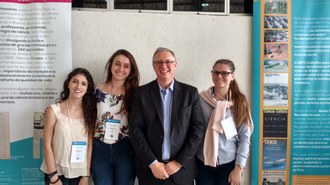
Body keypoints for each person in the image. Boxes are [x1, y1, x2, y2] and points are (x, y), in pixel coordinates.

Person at [128, 47, 205, 185]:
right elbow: (135, 130)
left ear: (175, 65)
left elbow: (198, 130)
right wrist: (152, 163)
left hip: (181, 171)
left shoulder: (190, 93)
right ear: (153, 66)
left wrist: (179, 162)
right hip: (151, 171)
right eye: (159, 62)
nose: (164, 66)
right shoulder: (141, 94)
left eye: (168, 62)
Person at [196, 59, 253, 185]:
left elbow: (245, 137)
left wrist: (238, 168)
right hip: (203, 162)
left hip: (229, 163)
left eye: (224, 73)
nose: (219, 76)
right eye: (215, 72)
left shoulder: (240, 102)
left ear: (232, 76)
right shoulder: (200, 99)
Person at [41, 68, 97, 185]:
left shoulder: (90, 113)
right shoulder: (54, 110)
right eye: (75, 81)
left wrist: (86, 175)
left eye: (83, 84)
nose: (78, 86)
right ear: (68, 84)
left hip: (79, 175)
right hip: (56, 174)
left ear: (87, 89)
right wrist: (53, 177)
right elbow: (46, 145)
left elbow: (89, 146)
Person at [91, 49, 140, 185]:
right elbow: (79, 109)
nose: (121, 69)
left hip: (125, 148)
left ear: (131, 70)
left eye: (126, 66)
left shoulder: (135, 94)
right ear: (111, 65)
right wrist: (55, 109)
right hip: (99, 148)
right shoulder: (96, 90)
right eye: (117, 64)